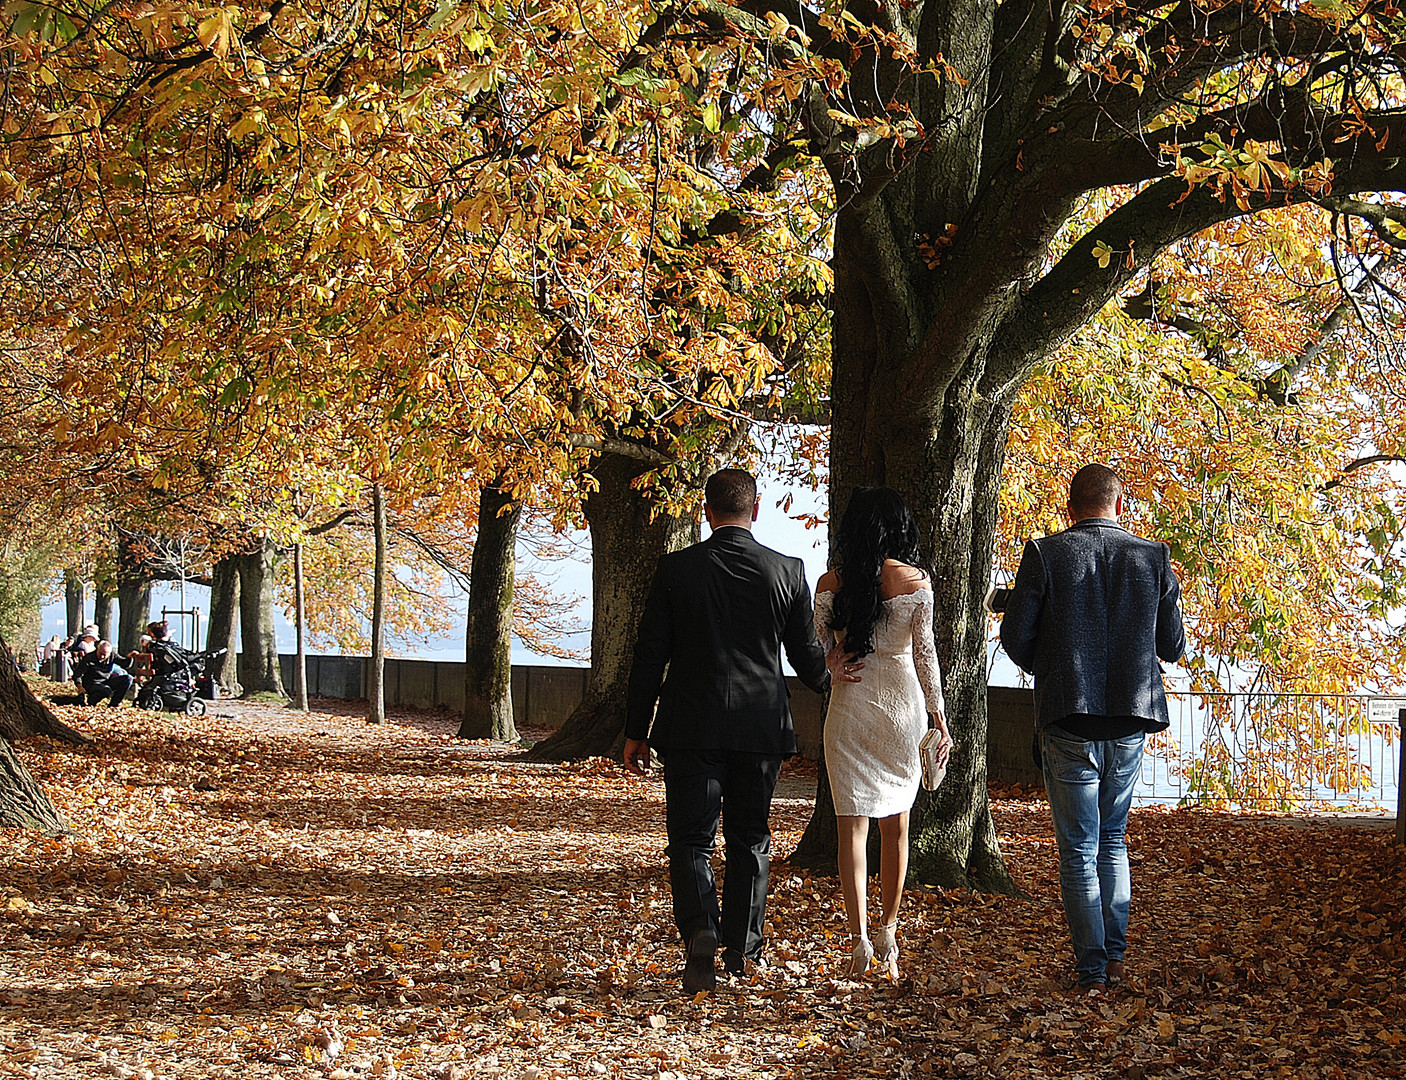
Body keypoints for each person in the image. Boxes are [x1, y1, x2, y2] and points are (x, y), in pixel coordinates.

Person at [624, 468, 852, 993]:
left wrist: (636, 729)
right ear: (756, 510)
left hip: (691, 726)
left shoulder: (676, 570)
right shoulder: (786, 570)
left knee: (690, 839)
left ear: (706, 512)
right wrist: (831, 673)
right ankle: (742, 948)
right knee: (750, 837)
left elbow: (649, 655)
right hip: (759, 728)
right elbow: (804, 657)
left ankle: (701, 927)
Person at [999, 464, 1185, 993]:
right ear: (1120, 506)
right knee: (1113, 839)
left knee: (1079, 847)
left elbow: (1015, 638)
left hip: (1068, 715)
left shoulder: (1044, 554)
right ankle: (1116, 957)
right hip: (1130, 715)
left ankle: (1091, 968)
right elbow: (1173, 646)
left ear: (1070, 507)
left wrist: (1054, 667)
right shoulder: (1153, 558)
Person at [814, 487, 952, 980]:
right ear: (898, 528)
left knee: (850, 827)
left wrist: (834, 662)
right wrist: (938, 717)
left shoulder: (831, 583)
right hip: (901, 707)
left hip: (850, 705)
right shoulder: (915, 581)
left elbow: (824, 649)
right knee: (897, 826)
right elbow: (926, 657)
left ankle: (858, 939)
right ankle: (890, 927)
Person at [73, 640, 135, 707]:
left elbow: (124, 664)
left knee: (128, 678)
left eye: (104, 655)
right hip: (92, 683)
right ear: (97, 649)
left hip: (106, 680)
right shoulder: (88, 658)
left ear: (109, 653)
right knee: (106, 690)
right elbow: (77, 674)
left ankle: (114, 704)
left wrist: (129, 657)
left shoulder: (112, 656)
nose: (102, 657)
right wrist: (80, 687)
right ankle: (91, 701)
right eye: (100, 653)